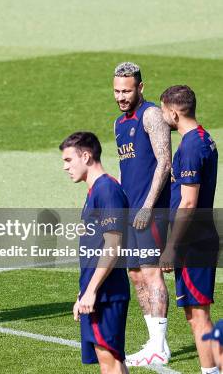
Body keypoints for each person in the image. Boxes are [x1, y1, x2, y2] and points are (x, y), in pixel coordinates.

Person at [112, 62, 172, 365]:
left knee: (151, 273)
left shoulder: (151, 115)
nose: (122, 96)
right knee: (135, 274)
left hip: (152, 211)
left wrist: (148, 207)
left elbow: (164, 162)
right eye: (117, 91)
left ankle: (161, 345)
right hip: (131, 212)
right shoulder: (119, 124)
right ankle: (153, 342)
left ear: (140, 88)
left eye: (127, 90)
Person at [159, 85, 219, 374]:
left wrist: (172, 247)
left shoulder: (192, 146)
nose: (162, 117)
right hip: (198, 240)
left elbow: (189, 201)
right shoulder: (203, 139)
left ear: (173, 112)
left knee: (199, 317)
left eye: (162, 111)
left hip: (193, 243)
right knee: (196, 315)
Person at [60, 132, 130, 374]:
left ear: (86, 156)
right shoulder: (95, 191)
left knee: (109, 362)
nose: (65, 167)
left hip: (106, 293)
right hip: (98, 291)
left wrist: (91, 291)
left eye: (69, 160)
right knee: (111, 361)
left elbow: (113, 245)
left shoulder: (107, 191)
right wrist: (83, 292)